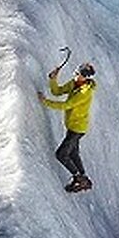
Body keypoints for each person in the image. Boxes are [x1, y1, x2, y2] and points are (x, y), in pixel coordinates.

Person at [38, 61, 96, 192]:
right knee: (74, 153)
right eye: (76, 72)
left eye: (79, 74)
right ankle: (83, 178)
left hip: (77, 128)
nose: (76, 75)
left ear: (86, 77)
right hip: (73, 127)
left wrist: (44, 102)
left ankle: (79, 179)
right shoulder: (75, 83)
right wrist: (53, 79)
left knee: (61, 154)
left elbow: (66, 105)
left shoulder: (84, 93)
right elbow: (57, 91)